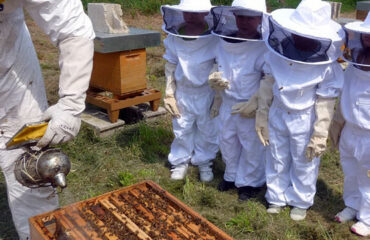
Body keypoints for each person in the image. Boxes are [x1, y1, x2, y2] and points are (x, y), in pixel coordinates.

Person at [0, 0, 94, 239]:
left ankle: (40, 234)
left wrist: (71, 105)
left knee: (30, 159)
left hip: (8, 49)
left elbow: (72, 27)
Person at [254, 0, 345, 220]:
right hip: (278, 111)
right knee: (275, 155)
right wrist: (262, 116)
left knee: (304, 159)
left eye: (308, 36)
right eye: (299, 33)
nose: (302, 38)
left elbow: (325, 100)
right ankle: (276, 197)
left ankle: (300, 200)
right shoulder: (276, 55)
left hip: (305, 118)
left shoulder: (326, 67)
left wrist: (319, 133)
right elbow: (268, 85)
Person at [208, 0, 267, 201]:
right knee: (227, 141)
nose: (244, 21)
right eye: (241, 16)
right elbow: (217, 64)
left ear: (260, 19)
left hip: (250, 106)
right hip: (227, 102)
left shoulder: (263, 47)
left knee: (252, 145)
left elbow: (269, 79)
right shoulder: (223, 42)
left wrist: (257, 102)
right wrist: (215, 78)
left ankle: (250, 183)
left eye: (250, 17)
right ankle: (231, 175)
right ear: (234, 17)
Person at [161, 0, 219, 182]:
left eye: (196, 13)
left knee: (207, 129)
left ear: (205, 14)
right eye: (188, 12)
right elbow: (171, 65)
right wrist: (169, 93)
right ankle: (179, 161)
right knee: (181, 127)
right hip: (183, 91)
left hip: (206, 92)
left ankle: (204, 161)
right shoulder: (174, 37)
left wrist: (217, 89)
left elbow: (218, 63)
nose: (192, 17)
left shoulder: (214, 38)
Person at [330, 12, 370, 237]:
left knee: (368, 177)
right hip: (350, 129)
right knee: (351, 171)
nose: (367, 38)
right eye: (365, 34)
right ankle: (352, 205)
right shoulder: (355, 62)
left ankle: (367, 218)